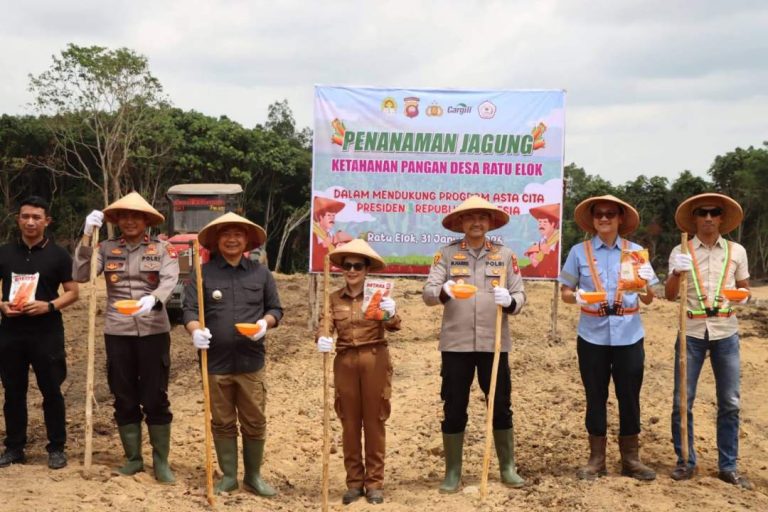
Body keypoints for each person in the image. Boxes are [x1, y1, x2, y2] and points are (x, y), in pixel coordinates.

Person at [72, 192, 179, 483]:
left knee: (155, 396)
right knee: (124, 395)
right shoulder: (105, 248)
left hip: (154, 328)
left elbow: (170, 279)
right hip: (117, 330)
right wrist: (85, 238)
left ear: (146, 220)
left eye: (136, 216)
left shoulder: (163, 249)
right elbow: (81, 275)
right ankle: (133, 459)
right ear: (117, 221)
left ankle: (161, 462)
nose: (130, 221)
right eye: (124, 217)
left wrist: (154, 300)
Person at [423, 195, 526, 492]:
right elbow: (428, 293)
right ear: (460, 223)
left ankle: (507, 468)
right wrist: (444, 290)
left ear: (490, 222)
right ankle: (453, 472)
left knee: (500, 406)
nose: (476, 223)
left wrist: (509, 301)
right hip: (456, 344)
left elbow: (521, 295)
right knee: (454, 406)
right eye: (470, 218)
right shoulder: (446, 254)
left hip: (494, 345)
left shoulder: (505, 255)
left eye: (482, 217)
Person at [183, 212, 283, 497]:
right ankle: (228, 476)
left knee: (254, 420)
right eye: (226, 234)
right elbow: (189, 310)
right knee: (222, 420)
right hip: (214, 362)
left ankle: (253, 476)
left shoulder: (260, 273)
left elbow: (276, 309)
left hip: (251, 360)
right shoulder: (203, 272)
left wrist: (266, 323)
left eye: (238, 234)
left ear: (247, 241)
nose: (232, 239)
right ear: (217, 240)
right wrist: (194, 331)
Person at [559, 194, 657, 481]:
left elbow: (649, 299)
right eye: (599, 214)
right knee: (595, 396)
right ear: (592, 220)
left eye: (610, 214)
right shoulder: (579, 252)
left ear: (620, 219)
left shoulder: (636, 252)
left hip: (629, 334)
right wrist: (575, 296)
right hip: (592, 335)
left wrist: (649, 281)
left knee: (629, 396)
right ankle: (596, 459)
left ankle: (631, 459)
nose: (604, 218)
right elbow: (565, 291)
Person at [665, 193, 752, 489]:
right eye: (702, 213)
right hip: (690, 332)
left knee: (729, 401)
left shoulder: (737, 251)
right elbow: (670, 294)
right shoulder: (681, 249)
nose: (708, 218)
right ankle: (685, 461)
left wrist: (743, 295)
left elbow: (744, 288)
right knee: (682, 401)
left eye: (714, 213)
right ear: (695, 219)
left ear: (722, 218)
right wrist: (677, 271)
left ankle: (728, 466)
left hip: (726, 331)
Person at [316, 239, 401, 505]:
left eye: (358, 266)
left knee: (374, 421)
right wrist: (322, 338)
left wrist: (390, 313)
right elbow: (325, 324)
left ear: (366, 270)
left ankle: (374, 482)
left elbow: (394, 326)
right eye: (347, 266)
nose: (351, 270)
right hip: (345, 362)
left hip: (374, 358)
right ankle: (354, 482)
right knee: (349, 423)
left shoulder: (378, 296)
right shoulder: (333, 298)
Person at [0, 196, 79, 470]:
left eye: (36, 217)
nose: (30, 222)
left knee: (51, 391)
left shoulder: (59, 255)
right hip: (11, 332)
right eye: (25, 216)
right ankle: (14, 446)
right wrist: (1, 305)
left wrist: (49, 306)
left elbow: (73, 292)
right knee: (13, 391)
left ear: (47, 221)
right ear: (18, 219)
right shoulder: (5, 252)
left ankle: (56, 447)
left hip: (47, 333)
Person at [311, 196, 352, 271]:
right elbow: (314, 258)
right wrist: (323, 245)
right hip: (323, 270)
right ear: (320, 217)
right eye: (329, 215)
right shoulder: (314, 234)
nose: (332, 218)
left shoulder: (330, 234)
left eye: (333, 216)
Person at [520, 203, 561, 278]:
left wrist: (549, 252)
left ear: (552, 224)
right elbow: (537, 266)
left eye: (545, 222)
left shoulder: (558, 241)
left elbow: (559, 267)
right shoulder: (543, 241)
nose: (541, 225)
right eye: (540, 222)